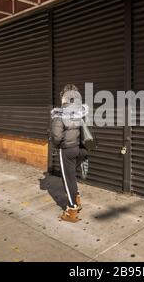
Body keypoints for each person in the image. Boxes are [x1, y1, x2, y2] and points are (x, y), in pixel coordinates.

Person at [51, 84, 89, 223]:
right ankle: (77, 199)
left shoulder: (60, 114)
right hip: (81, 149)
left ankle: (72, 210)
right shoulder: (82, 112)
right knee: (72, 177)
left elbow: (56, 137)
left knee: (68, 180)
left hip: (67, 150)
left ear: (64, 98)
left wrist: (57, 146)